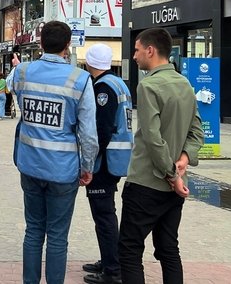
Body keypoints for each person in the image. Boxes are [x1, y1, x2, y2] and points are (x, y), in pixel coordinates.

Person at [6, 21, 98, 284]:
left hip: (30, 165)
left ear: (40, 43)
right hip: (63, 169)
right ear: (68, 45)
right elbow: (88, 133)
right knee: (57, 236)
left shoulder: (23, 72)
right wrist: (87, 166)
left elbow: (9, 87)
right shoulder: (80, 79)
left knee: (33, 230)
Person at [118, 28, 204, 284]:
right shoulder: (184, 83)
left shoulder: (148, 85)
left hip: (147, 182)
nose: (134, 56)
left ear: (150, 50)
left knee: (130, 249)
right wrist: (184, 160)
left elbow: (153, 139)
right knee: (168, 248)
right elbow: (197, 131)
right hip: (174, 189)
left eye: (136, 50)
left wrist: (171, 173)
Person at [82, 44, 133, 284]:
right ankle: (110, 258)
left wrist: (88, 159)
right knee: (106, 214)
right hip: (115, 157)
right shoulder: (117, 82)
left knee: (103, 215)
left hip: (105, 160)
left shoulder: (102, 88)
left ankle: (113, 271)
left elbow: (101, 129)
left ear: (90, 62)